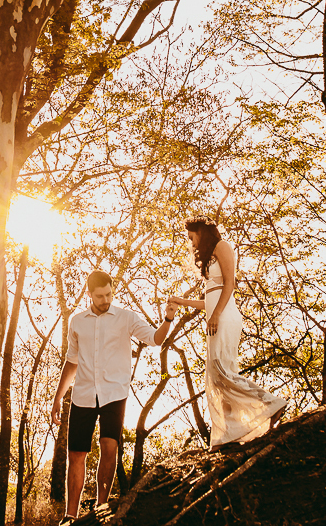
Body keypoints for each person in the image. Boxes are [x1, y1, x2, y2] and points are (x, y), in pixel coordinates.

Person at [50, 270, 176, 525]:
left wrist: (168, 318)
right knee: (77, 455)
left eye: (109, 294)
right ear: (90, 295)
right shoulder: (77, 322)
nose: (105, 299)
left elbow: (154, 339)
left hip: (114, 394)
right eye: (100, 296)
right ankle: (70, 516)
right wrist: (57, 397)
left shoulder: (126, 318)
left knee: (110, 447)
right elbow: (71, 362)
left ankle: (101, 508)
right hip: (83, 395)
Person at [168, 216, 287, 451]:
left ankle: (272, 403)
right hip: (215, 316)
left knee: (222, 371)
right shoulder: (209, 257)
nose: (190, 242)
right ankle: (228, 434)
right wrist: (181, 301)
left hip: (224, 317)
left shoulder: (222, 247)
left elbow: (230, 285)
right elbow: (208, 299)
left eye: (192, 237)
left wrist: (215, 316)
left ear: (202, 232)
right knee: (216, 376)